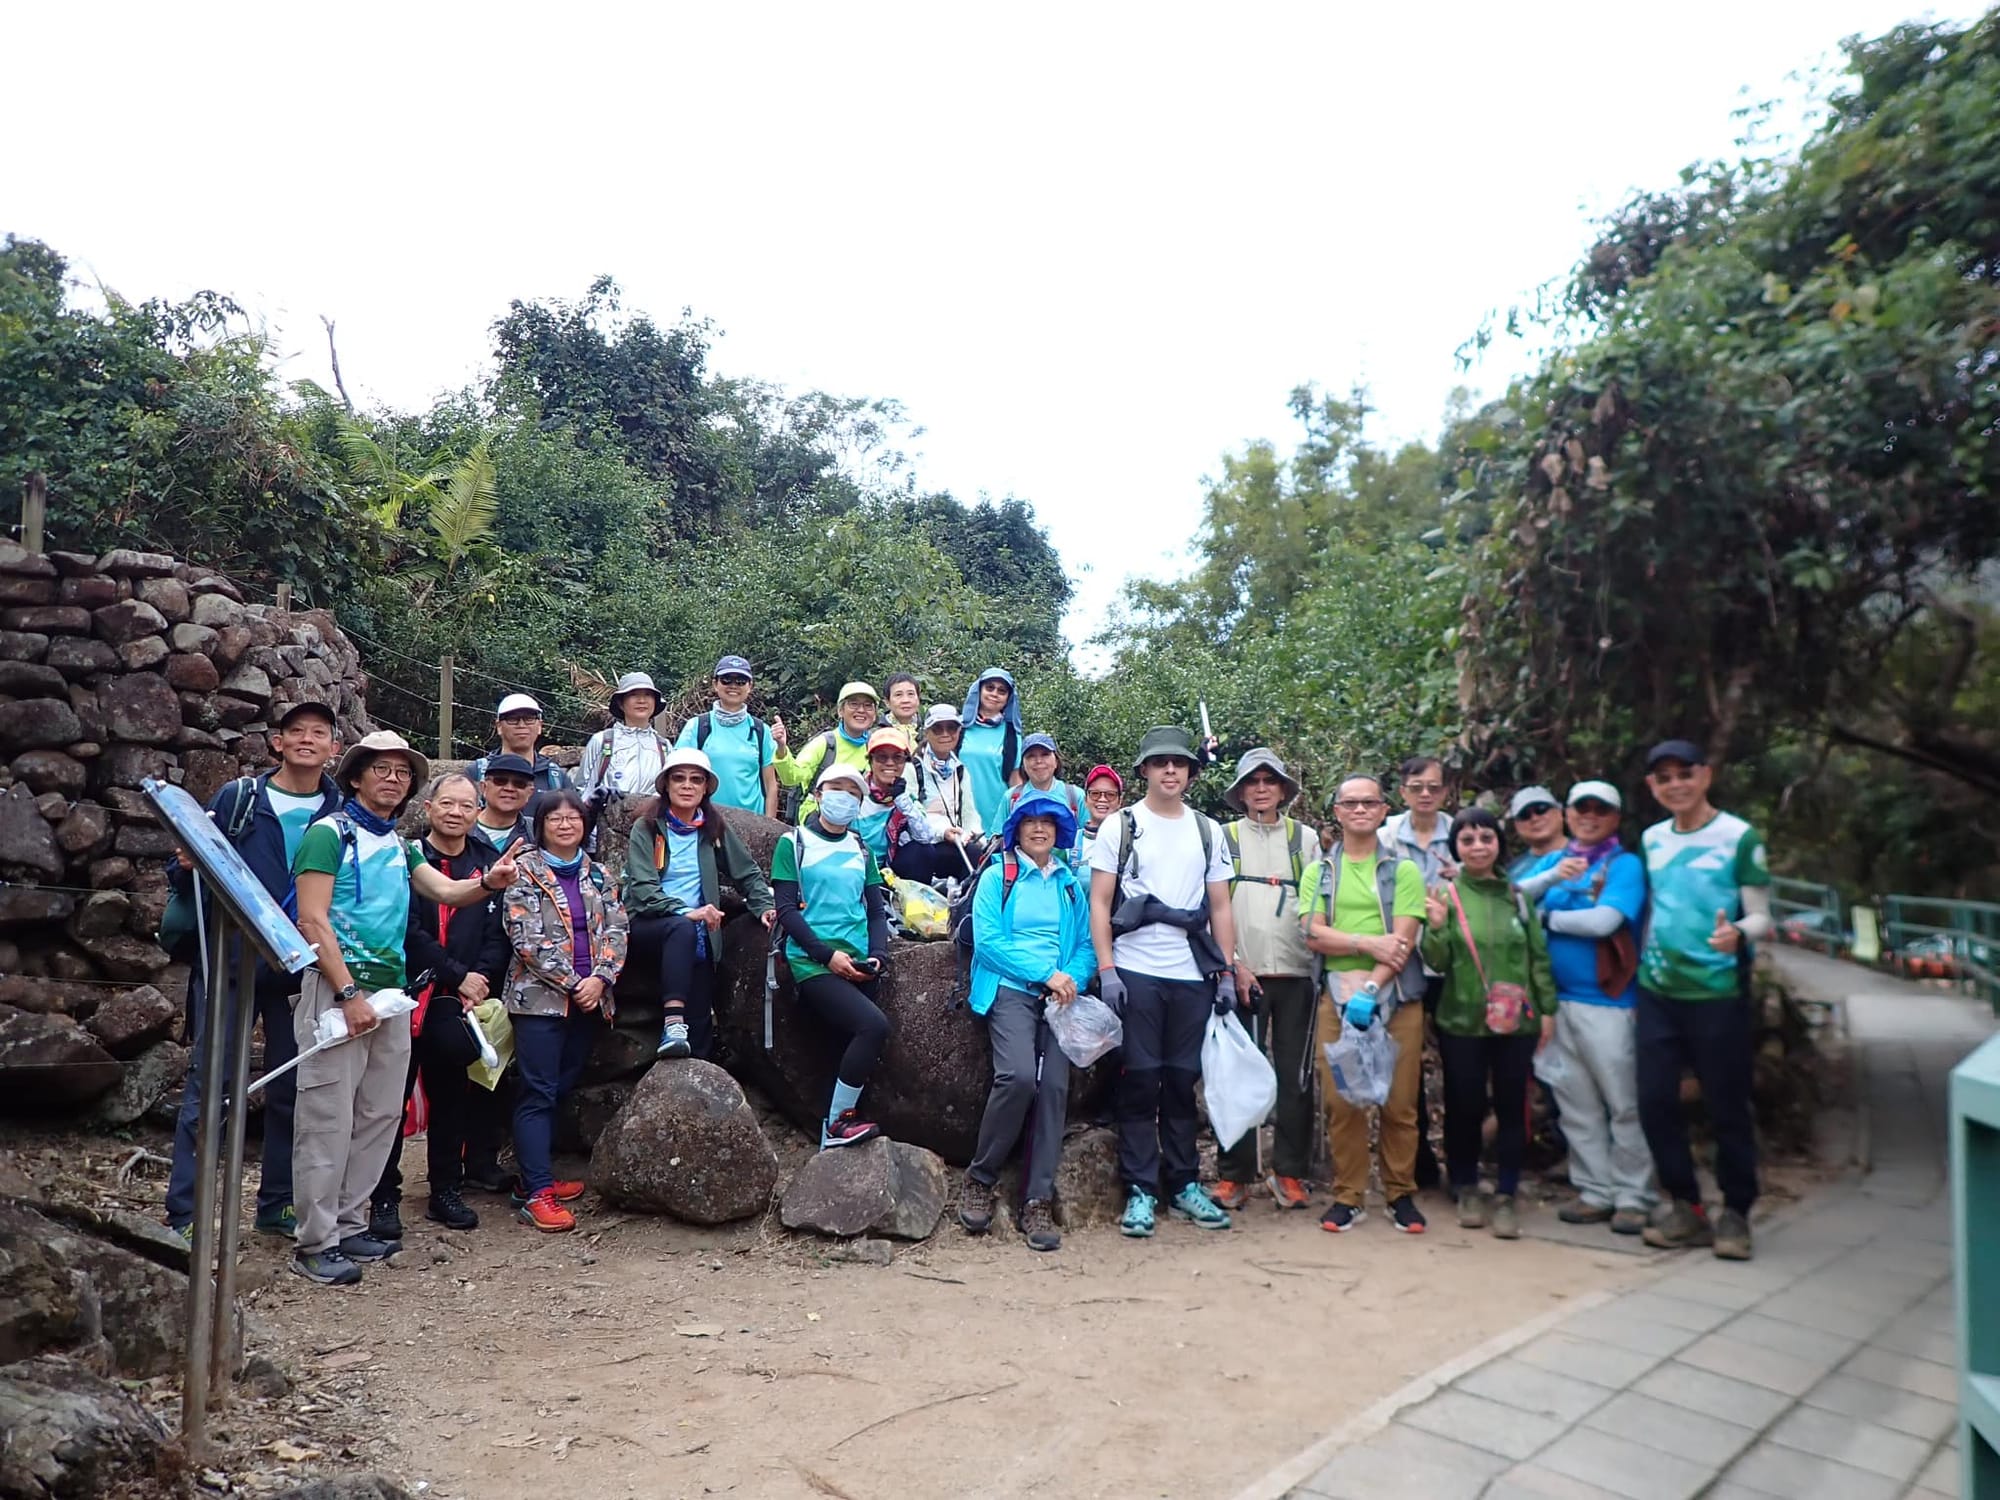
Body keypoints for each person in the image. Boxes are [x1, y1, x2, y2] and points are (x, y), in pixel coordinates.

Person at [289, 731, 518, 1285]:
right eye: (381, 769)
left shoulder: (397, 843)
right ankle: (315, 1241)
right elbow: (312, 919)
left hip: (392, 996)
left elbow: (444, 891)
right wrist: (347, 994)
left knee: (378, 1115)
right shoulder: (328, 834)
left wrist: (489, 881)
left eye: (401, 772)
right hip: (339, 993)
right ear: (356, 776)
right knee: (327, 1119)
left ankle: (349, 1223)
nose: (393, 779)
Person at [163, 699, 344, 1245]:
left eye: (319, 733)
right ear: (277, 742)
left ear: (335, 749)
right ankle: (185, 1213)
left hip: (301, 967)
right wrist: (184, 863)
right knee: (210, 1085)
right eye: (296, 731)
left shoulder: (339, 810)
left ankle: (277, 1204)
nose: (307, 739)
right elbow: (187, 868)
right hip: (233, 959)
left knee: (294, 1087)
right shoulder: (241, 798)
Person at [1088, 726, 1241, 1238]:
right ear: (1145, 771)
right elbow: (1101, 902)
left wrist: (1224, 968)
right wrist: (1107, 968)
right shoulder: (1122, 826)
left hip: (1190, 972)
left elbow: (1219, 904)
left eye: (1179, 764)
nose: (1170, 771)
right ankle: (1139, 1189)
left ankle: (1183, 1184)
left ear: (1191, 773)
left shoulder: (1208, 831)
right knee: (1140, 1078)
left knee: (1181, 1080)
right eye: (1160, 764)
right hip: (1136, 968)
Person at [1635, 739, 1772, 1262]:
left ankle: (1736, 1211)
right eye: (1663, 777)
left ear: (1705, 776)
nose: (1675, 785)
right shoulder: (1651, 840)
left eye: (1684, 774)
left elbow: (1763, 916)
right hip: (1657, 990)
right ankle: (1686, 1205)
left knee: (1726, 1103)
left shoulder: (1739, 837)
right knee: (1654, 1100)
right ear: (1653, 787)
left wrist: (1738, 931)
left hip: (1718, 992)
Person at [369, 773, 511, 1237]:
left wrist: (480, 978)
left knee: (453, 1095)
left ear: (477, 812)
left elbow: (500, 931)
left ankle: (445, 1189)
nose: (456, 813)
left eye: (466, 806)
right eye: (447, 803)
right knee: (390, 1099)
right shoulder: (406, 857)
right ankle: (382, 1194)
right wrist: (455, 972)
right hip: (410, 992)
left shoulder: (489, 863)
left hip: (460, 1001)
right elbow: (405, 927)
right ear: (427, 808)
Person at [958, 790, 1095, 1252]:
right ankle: (980, 1177)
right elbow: (989, 941)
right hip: (1011, 989)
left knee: (1055, 1087)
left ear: (1059, 833)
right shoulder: (999, 877)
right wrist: (1045, 974)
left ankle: (1037, 1198)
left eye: (1048, 823)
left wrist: (1071, 978)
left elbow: (1086, 945)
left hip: (1059, 996)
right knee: (1017, 1077)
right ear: (1016, 831)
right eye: (1030, 822)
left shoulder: (1070, 884)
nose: (1039, 828)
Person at [1297, 774, 1429, 1234]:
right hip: (1338, 995)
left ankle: (1400, 1193)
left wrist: (1373, 983)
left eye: (1368, 802)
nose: (1359, 810)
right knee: (1341, 1100)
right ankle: (1348, 1195)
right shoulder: (1320, 871)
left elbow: (1405, 941)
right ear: (1336, 811)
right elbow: (1313, 933)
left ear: (1383, 809)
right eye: (1349, 803)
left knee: (1400, 1102)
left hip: (1395, 995)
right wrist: (1368, 943)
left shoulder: (1404, 870)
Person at [1420, 809, 1556, 1239]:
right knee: (1465, 1105)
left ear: (1499, 843)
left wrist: (1547, 1009)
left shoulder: (1517, 897)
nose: (1478, 846)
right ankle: (1465, 1185)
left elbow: (1537, 957)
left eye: (1486, 838)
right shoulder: (1446, 895)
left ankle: (1507, 1191)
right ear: (1456, 848)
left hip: (1518, 1022)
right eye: (1467, 840)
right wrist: (1437, 929)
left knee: (1514, 1106)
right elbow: (1436, 961)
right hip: (1462, 1019)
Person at [502, 790, 629, 1234]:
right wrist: (575, 983)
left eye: (573, 817)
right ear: (541, 825)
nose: (565, 824)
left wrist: (600, 979)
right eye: (554, 818)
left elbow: (618, 927)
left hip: (591, 999)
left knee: (560, 1086)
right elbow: (525, 937)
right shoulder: (522, 872)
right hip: (540, 1001)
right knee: (537, 1090)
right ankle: (537, 1191)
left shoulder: (600, 874)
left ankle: (533, 1176)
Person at [1535, 780, 1654, 1235]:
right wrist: (1547, 884)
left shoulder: (1624, 866)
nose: (1589, 815)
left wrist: (1548, 918)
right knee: (1575, 1102)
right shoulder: (1554, 862)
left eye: (1599, 809)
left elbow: (1606, 920)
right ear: (1567, 814)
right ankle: (1595, 1191)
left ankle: (1633, 1195)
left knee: (1623, 1102)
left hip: (1608, 1002)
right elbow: (1513, 900)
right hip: (1553, 1003)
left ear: (1615, 817)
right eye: (1580, 808)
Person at [1212, 750, 1323, 1212]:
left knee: (1295, 1077)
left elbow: (1319, 901)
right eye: (1252, 781)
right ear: (1241, 791)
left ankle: (1290, 1172)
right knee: (1238, 1075)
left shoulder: (1306, 839)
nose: (1261, 788)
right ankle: (1234, 1176)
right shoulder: (1225, 837)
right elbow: (1212, 905)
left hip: (1298, 973)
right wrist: (1231, 963)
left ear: (1283, 789)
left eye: (1270, 780)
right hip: (1244, 975)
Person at [623, 748, 775, 1059]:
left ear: (706, 787)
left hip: (698, 934)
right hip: (649, 924)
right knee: (682, 927)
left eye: (696, 779)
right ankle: (673, 1023)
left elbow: (746, 872)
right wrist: (686, 912)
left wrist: (764, 907)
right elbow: (641, 888)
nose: (687, 785)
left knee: (701, 1023)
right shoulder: (648, 827)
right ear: (666, 785)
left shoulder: (713, 828)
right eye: (678, 778)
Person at [771, 764, 894, 1148]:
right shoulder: (793, 843)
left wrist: (878, 955)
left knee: (845, 1043)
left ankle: (832, 1127)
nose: (844, 797)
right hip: (813, 963)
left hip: (858, 960)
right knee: (873, 1027)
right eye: (836, 788)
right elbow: (787, 910)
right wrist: (826, 956)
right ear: (819, 794)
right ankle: (839, 1124)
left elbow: (876, 909)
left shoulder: (861, 848)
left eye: (853, 792)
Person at [1380, 754, 1458, 1192]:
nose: (1425, 794)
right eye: (1417, 787)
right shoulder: (1386, 836)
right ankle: (1418, 1164)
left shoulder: (1461, 835)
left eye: (1434, 787)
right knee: (1405, 1069)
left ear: (1446, 791)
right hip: (1403, 964)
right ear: (1403, 791)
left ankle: (1461, 1164)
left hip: (1452, 965)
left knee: (1458, 1066)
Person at [674, 655, 778, 817]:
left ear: (750, 686)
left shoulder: (760, 730)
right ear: (715, 684)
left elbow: (770, 785)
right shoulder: (697, 727)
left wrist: (769, 827)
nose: (733, 686)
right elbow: (678, 777)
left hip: (752, 825)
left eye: (741, 681)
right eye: (726, 680)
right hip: (705, 824)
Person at [773, 681, 879, 812]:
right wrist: (781, 748)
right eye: (854, 704)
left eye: (868, 706)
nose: (861, 710)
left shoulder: (876, 748)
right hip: (816, 821)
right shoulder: (825, 743)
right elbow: (791, 778)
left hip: (858, 821)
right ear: (841, 710)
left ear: (874, 714)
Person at [577, 671, 670, 806]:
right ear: (621, 703)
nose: (642, 700)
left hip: (650, 823)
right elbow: (583, 790)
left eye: (648, 695)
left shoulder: (664, 746)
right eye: (633, 695)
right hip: (608, 823)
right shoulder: (603, 741)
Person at [958, 667, 1024, 831]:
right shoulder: (957, 727)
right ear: (979, 690)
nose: (994, 694)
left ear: (1008, 698)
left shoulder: (1012, 735)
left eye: (1001, 691)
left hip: (996, 818)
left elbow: (1015, 782)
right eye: (989, 688)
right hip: (958, 816)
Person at [916, 703, 985, 858]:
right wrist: (942, 832)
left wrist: (974, 835)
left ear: (959, 731)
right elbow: (910, 815)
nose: (945, 734)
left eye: (951, 728)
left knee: (977, 853)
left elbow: (969, 812)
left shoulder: (960, 770)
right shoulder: (913, 768)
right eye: (938, 728)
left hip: (956, 841)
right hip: (925, 844)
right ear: (927, 732)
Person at [1007, 733, 1086, 865]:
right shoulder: (1011, 797)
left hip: (1066, 874)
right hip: (1020, 876)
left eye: (1045, 754)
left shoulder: (1075, 796)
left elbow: (1089, 841)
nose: (1038, 761)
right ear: (1023, 764)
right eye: (1031, 756)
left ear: (1056, 761)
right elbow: (999, 839)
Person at [469, 694, 573, 793]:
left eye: (529, 719)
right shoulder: (477, 773)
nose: (521, 725)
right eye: (513, 719)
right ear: (499, 726)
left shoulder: (556, 778)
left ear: (540, 726)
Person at [471, 753, 538, 858]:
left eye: (519, 783)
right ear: (483, 787)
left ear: (530, 793)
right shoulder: (462, 828)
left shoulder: (537, 831)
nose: (509, 788)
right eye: (500, 781)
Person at [1507, 786, 1568, 887]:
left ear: (1559, 813)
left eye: (1541, 810)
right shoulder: (1511, 872)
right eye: (1525, 815)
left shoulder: (1591, 853)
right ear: (1516, 826)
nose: (1534, 818)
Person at [1079, 765, 1123, 860]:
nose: (1102, 799)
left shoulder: (1130, 843)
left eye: (1110, 795)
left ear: (1120, 801)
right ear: (1085, 800)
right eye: (1095, 794)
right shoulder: (1069, 844)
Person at [883, 673, 924, 740]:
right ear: (887, 702)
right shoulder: (877, 735)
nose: (905, 700)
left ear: (918, 699)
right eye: (898, 695)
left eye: (910, 694)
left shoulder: (929, 734)